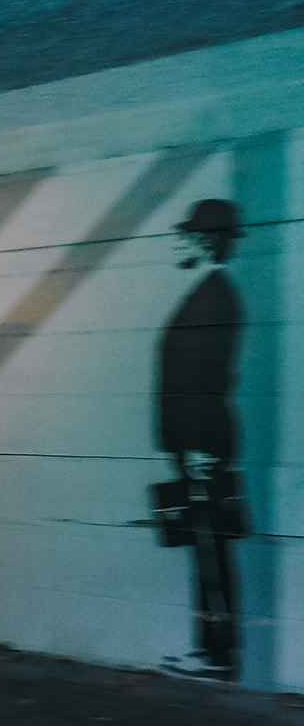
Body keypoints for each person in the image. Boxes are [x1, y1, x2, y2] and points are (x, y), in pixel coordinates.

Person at [156, 198, 247, 679]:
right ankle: (211, 651)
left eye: (187, 234)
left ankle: (217, 656)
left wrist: (195, 444)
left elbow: (206, 378)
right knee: (205, 545)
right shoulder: (206, 292)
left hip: (203, 440)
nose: (179, 240)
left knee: (210, 548)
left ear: (205, 241)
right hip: (199, 439)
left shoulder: (214, 297)